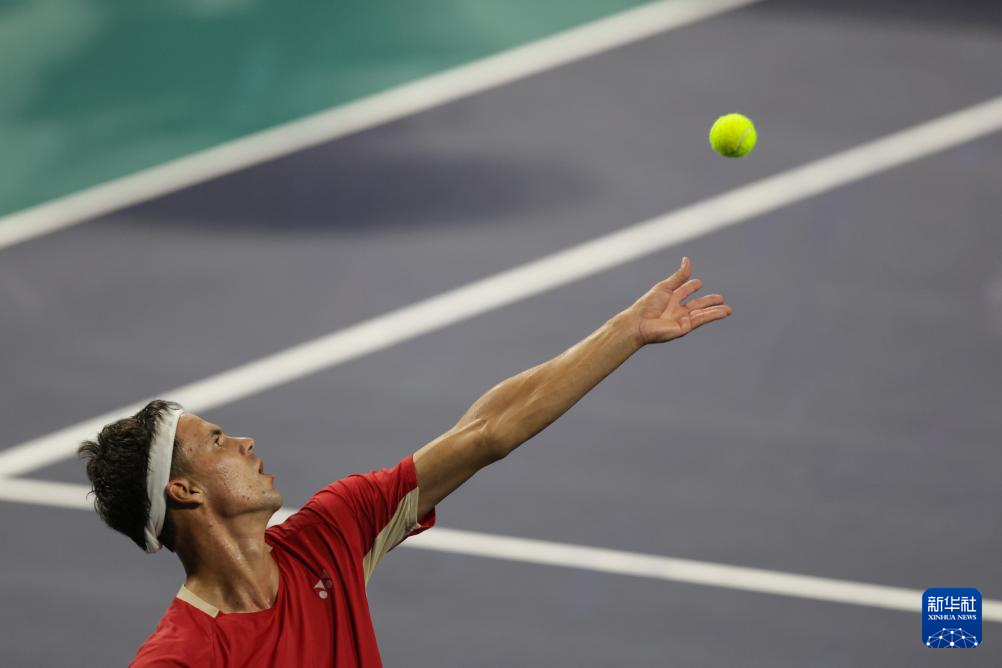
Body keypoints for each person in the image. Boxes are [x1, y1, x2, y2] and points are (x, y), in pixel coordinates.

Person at [78, 256, 731, 667]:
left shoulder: (331, 533)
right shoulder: (182, 659)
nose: (245, 442)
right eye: (218, 441)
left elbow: (486, 433)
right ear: (186, 491)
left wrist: (626, 331)